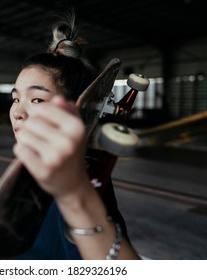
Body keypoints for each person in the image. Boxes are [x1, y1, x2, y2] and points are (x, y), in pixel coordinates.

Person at [9, 11, 139, 260]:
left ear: (74, 111)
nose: (18, 112)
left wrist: (76, 200)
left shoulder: (80, 183)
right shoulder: (38, 168)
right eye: (15, 99)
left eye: (37, 99)